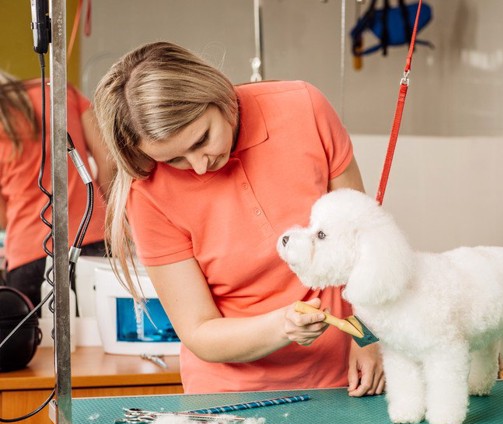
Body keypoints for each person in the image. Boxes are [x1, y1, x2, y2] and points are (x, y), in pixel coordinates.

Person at [92, 41, 384, 395]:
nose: (200, 166)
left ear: (215, 94)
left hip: (348, 377)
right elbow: (200, 331)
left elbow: (365, 245)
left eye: (202, 139)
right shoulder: (148, 193)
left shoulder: (303, 108)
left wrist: (369, 336)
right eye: (175, 161)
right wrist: (283, 326)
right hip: (230, 395)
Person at [0, 69, 113, 308]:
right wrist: (113, 216)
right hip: (91, 239)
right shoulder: (59, 91)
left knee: (35, 344)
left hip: (28, 257)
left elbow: (2, 217)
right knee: (97, 339)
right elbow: (109, 161)